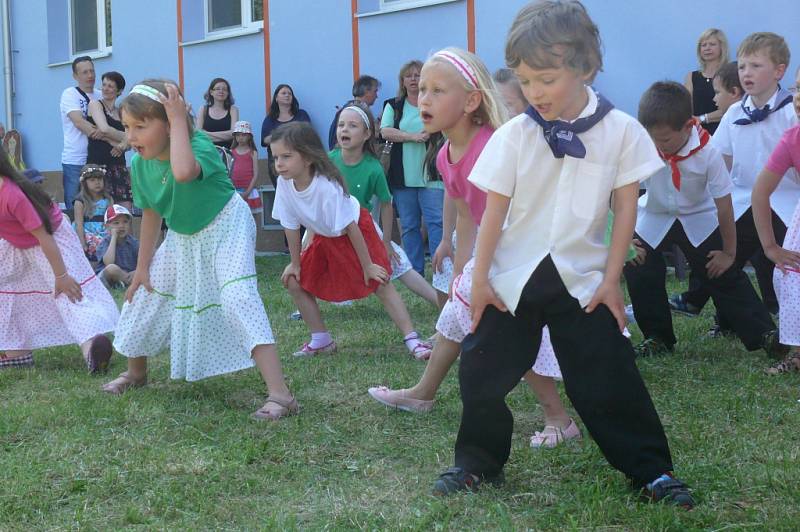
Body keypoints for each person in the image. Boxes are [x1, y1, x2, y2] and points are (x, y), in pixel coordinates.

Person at [430, 1, 693, 508]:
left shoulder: (621, 132)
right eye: (525, 82)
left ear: (585, 68)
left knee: (609, 374)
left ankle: (651, 470)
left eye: (545, 79)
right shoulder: (514, 136)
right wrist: (479, 278)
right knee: (480, 370)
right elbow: (493, 214)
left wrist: (612, 279)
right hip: (514, 278)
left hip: (582, 279)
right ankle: (476, 462)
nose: (534, 93)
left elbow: (624, 207)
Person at [368, 47, 581, 448]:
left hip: (526, 253)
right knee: (457, 316)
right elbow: (468, 215)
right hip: (495, 252)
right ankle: (423, 393)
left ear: (470, 101)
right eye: (422, 90)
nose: (423, 99)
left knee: (510, 334)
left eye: (436, 91)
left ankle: (559, 418)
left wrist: (481, 273)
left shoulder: (492, 146)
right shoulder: (447, 153)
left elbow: (520, 212)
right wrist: (464, 265)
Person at [102, 80, 297, 421]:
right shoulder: (139, 165)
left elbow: (183, 172)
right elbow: (150, 214)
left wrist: (180, 122)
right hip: (182, 235)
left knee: (238, 299)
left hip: (226, 226)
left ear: (170, 121)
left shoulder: (200, 145)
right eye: (127, 127)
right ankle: (136, 373)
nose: (131, 137)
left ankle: (281, 395)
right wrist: (143, 268)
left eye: (141, 127)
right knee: (144, 294)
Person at [624, 81, 784, 359]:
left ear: (688, 126)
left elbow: (724, 206)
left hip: (698, 217)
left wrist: (729, 253)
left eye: (664, 141)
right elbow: (622, 195)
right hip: (654, 215)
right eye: (651, 138)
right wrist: (627, 242)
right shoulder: (640, 148)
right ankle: (657, 337)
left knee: (722, 272)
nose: (657, 146)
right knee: (639, 267)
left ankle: (765, 334)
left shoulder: (708, 153)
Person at [270, 121, 432, 359]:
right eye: (275, 158)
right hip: (326, 238)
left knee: (380, 282)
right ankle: (321, 339)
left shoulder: (326, 187)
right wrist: (295, 263)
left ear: (307, 157)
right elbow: (290, 225)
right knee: (294, 281)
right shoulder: (284, 184)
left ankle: (413, 340)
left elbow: (351, 228)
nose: (279, 164)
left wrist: (367, 265)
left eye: (286, 156)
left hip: (357, 232)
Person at [674, 32, 800, 335]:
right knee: (719, 258)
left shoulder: (790, 112)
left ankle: (786, 323)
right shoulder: (733, 112)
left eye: (756, 66)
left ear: (779, 71)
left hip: (787, 203)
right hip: (744, 200)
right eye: (742, 66)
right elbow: (718, 161)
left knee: (785, 265)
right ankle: (732, 321)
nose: (746, 73)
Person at [0, 145, 118, 373]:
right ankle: (16, 350)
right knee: (6, 287)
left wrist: (61, 276)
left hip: (50, 239)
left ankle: (92, 347)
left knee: (67, 292)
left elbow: (44, 237)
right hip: (15, 240)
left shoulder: (12, 195)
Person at [329, 102, 438, 308]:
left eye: (352, 125)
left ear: (367, 134)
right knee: (307, 261)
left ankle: (440, 302)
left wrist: (386, 242)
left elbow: (387, 205)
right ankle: (303, 307)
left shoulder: (373, 168)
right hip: (330, 226)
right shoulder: (328, 161)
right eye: (341, 124)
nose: (344, 129)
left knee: (401, 264)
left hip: (362, 225)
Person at [669, 62, 744, 318]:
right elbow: (719, 158)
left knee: (727, 252)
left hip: (754, 198)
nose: (713, 98)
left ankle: (701, 302)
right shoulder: (731, 117)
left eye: (718, 92)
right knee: (714, 250)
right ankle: (705, 306)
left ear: (734, 93)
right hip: (739, 197)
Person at [752, 66, 800, 375]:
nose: (799, 98)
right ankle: (798, 353)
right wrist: (770, 247)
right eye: (798, 89)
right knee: (792, 276)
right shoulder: (793, 139)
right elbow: (760, 192)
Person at [380, 60, 445, 276]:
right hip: (402, 176)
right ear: (402, 81)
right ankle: (415, 272)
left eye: (418, 75)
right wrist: (413, 137)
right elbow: (385, 131)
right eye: (409, 75)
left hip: (433, 173)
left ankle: (440, 270)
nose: (414, 79)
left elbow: (448, 123)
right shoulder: (393, 105)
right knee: (409, 226)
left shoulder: (437, 101)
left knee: (437, 223)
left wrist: (433, 129)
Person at [60, 56, 102, 208]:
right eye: (85, 72)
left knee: (98, 207)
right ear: (75, 76)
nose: (90, 75)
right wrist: (107, 134)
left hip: (97, 158)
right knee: (75, 205)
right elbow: (78, 122)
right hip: (75, 160)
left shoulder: (100, 95)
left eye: (92, 71)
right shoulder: (70, 94)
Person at [87, 71, 132, 210]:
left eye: (110, 86)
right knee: (103, 211)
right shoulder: (96, 104)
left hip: (118, 166)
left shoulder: (121, 112)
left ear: (119, 91)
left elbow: (132, 140)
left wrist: (123, 144)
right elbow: (104, 128)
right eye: (104, 85)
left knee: (124, 209)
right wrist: (122, 141)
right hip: (98, 166)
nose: (105, 89)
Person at [260, 84, 311, 184]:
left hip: (301, 160)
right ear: (276, 98)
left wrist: (280, 134)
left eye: (290, 94)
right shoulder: (270, 119)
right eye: (283, 93)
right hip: (278, 163)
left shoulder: (301, 114)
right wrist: (288, 133)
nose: (287, 95)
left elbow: (308, 133)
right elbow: (265, 140)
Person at [684, 29, 730, 135]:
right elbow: (685, 107)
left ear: (722, 47)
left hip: (722, 132)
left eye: (712, 44)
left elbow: (732, 108)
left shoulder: (729, 74)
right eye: (703, 45)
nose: (707, 48)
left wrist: (703, 118)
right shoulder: (691, 76)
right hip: (696, 133)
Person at [73, 164, 113, 263]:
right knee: (95, 243)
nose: (97, 182)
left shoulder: (108, 199)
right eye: (92, 180)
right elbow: (79, 224)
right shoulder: (80, 201)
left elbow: (111, 219)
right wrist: (82, 244)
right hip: (86, 231)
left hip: (104, 229)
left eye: (99, 179)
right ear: (84, 183)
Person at [328, 75, 381, 149]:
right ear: (366, 91)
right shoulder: (355, 113)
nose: (376, 96)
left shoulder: (348, 110)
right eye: (375, 91)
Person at [229, 121, 263, 228]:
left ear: (249, 136)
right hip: (235, 192)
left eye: (243, 135)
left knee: (251, 221)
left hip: (250, 191)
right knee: (236, 221)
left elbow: (255, 174)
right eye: (238, 135)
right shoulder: (231, 152)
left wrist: (248, 192)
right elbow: (228, 172)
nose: (240, 138)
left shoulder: (253, 152)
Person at [97, 204, 139, 289]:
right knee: (111, 268)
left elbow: (144, 258)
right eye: (116, 223)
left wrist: (136, 271)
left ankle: (126, 282)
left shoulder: (133, 242)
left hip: (128, 274)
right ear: (107, 226)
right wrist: (114, 237)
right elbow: (109, 262)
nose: (121, 226)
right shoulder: (105, 242)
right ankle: (129, 283)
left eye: (125, 222)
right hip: (108, 277)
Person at [196, 78, 240, 147]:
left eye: (224, 89)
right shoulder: (203, 109)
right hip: (207, 152)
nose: (221, 91)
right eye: (218, 89)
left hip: (227, 153)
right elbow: (198, 134)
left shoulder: (233, 110)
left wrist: (206, 134)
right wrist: (225, 135)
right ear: (211, 92)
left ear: (228, 93)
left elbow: (233, 134)